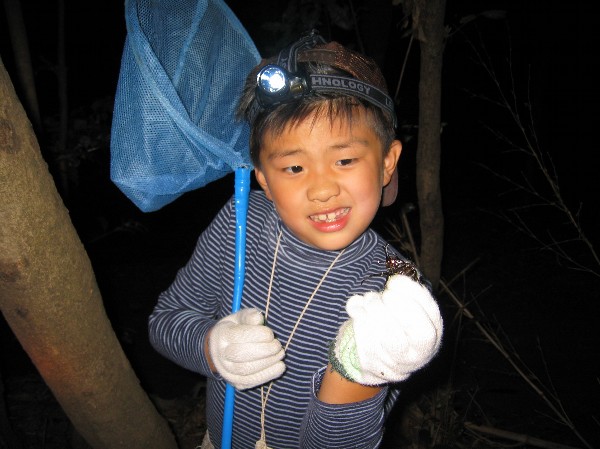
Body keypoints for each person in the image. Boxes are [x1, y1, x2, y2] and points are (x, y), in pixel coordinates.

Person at [149, 30, 443, 449]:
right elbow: (165, 320)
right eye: (293, 168)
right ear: (264, 180)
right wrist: (212, 348)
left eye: (344, 160)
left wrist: (358, 375)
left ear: (386, 163)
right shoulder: (240, 222)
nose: (322, 189)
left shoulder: (398, 290)